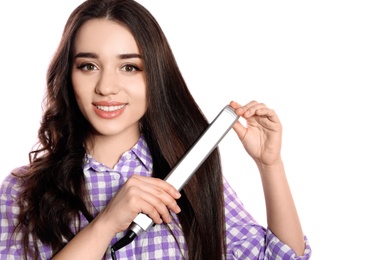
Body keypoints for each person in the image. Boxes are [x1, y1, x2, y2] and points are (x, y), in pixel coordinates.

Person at [0, 0, 311, 259]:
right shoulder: (23, 190)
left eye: (130, 67)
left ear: (156, 78)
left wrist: (270, 166)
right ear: (67, 76)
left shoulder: (190, 176)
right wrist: (106, 223)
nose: (107, 87)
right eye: (88, 66)